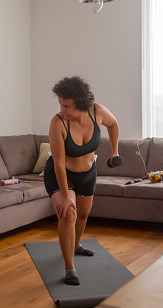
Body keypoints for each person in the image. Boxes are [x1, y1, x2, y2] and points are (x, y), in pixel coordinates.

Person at [44, 76, 120, 285]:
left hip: (88, 172)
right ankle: (70, 268)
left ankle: (76, 245)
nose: (62, 110)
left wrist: (115, 151)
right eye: (60, 104)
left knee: (83, 214)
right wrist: (66, 197)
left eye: (66, 105)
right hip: (61, 173)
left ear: (81, 103)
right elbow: (58, 164)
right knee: (68, 214)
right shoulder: (57, 123)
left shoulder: (98, 112)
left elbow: (113, 125)